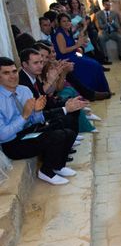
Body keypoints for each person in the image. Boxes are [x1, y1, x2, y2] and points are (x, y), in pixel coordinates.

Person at [0, 57, 76, 185]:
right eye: (6, 73)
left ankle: (57, 166)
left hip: (30, 131)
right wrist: (24, 116)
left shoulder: (24, 90)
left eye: (14, 71)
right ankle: (46, 172)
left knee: (68, 131)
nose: (12, 76)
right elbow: (3, 135)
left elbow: (35, 120)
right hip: (12, 143)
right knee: (56, 137)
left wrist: (37, 111)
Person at [53, 13, 111, 94]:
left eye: (68, 21)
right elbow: (63, 50)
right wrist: (77, 45)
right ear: (59, 23)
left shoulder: (67, 31)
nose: (67, 23)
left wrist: (81, 43)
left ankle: (102, 90)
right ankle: (95, 91)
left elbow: (71, 44)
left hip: (74, 55)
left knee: (96, 64)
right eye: (64, 21)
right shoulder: (59, 34)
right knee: (94, 66)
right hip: (67, 59)